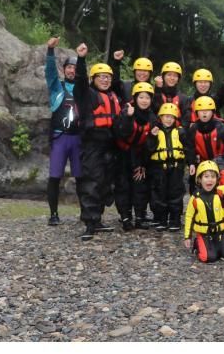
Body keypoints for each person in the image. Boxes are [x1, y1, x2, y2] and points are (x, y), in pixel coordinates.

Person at [73, 44, 121, 241]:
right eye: (101, 76)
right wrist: (81, 59)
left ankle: (98, 218)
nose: (105, 79)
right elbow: (80, 82)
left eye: (107, 77)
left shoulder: (112, 95)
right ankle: (90, 223)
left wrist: (115, 63)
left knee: (104, 183)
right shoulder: (87, 94)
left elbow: (116, 80)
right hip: (91, 145)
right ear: (93, 79)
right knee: (90, 182)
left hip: (109, 145)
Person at [44, 37, 82, 226]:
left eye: (75, 68)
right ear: (64, 69)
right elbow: (50, 72)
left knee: (81, 176)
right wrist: (50, 51)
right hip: (60, 137)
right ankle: (54, 214)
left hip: (78, 139)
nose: (71, 70)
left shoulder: (84, 90)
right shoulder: (56, 87)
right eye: (68, 67)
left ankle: (86, 213)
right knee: (55, 176)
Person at [113, 82, 156, 231]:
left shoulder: (152, 118)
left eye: (147, 98)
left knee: (140, 185)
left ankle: (139, 217)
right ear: (135, 98)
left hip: (139, 155)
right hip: (122, 154)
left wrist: (143, 165)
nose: (144, 100)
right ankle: (125, 217)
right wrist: (128, 118)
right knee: (123, 185)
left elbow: (150, 146)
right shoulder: (126, 111)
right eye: (141, 97)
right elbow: (122, 133)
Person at [146, 102, 193, 232]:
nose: (168, 119)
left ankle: (175, 219)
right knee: (159, 194)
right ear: (160, 118)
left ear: (175, 119)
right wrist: (152, 137)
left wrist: (191, 163)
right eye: (165, 116)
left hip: (176, 168)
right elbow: (149, 149)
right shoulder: (155, 132)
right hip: (159, 168)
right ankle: (161, 219)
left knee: (176, 194)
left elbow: (188, 149)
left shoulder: (180, 132)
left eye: (171, 117)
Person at [187, 96, 224, 194]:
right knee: (193, 183)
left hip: (220, 162)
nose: (204, 113)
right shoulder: (193, 129)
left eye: (207, 110)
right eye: (201, 111)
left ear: (213, 112)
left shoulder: (221, 127)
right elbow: (190, 148)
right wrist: (191, 163)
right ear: (197, 113)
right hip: (202, 162)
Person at [152, 62, 190, 128]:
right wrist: (157, 89)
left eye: (175, 76)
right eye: (169, 75)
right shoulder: (156, 93)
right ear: (163, 77)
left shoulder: (183, 98)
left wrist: (181, 130)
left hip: (177, 133)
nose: (172, 78)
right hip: (158, 131)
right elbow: (155, 109)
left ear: (178, 79)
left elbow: (186, 119)